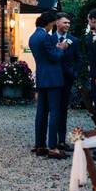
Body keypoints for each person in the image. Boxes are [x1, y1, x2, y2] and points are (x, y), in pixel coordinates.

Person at [29, 11, 70, 158]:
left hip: (41, 77)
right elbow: (54, 57)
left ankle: (39, 145)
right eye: (53, 23)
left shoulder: (33, 37)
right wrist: (61, 49)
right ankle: (53, 147)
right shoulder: (45, 37)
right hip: (53, 78)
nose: (53, 26)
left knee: (41, 112)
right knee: (54, 112)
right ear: (48, 23)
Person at [54, 13, 81, 151]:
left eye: (69, 23)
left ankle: (62, 141)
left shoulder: (74, 40)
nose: (67, 25)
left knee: (63, 110)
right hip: (53, 80)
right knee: (53, 110)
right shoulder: (50, 39)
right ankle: (52, 141)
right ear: (57, 23)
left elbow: (78, 59)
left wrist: (74, 73)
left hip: (67, 80)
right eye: (65, 22)